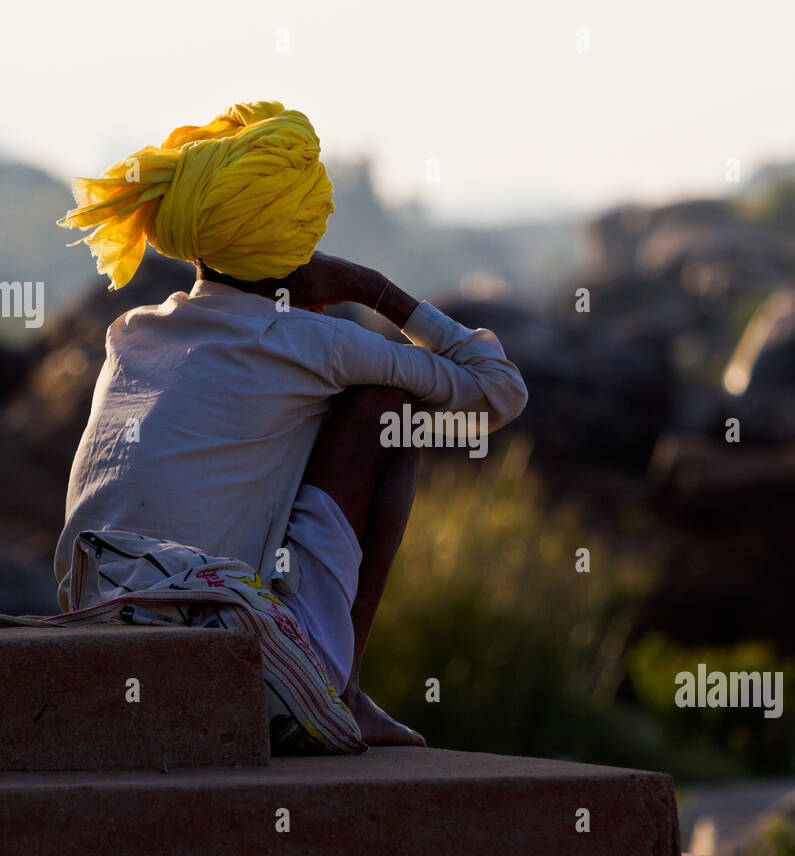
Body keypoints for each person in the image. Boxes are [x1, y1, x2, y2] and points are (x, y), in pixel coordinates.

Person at [53, 101, 528, 751]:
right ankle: (343, 693)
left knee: (301, 415)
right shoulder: (309, 341)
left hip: (93, 633)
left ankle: (331, 678)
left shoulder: (133, 332)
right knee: (381, 411)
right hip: (210, 657)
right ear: (299, 239)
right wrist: (373, 287)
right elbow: (499, 390)